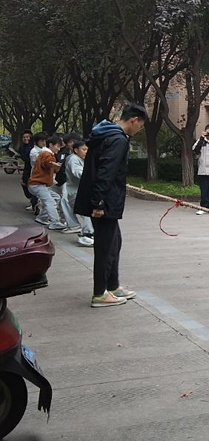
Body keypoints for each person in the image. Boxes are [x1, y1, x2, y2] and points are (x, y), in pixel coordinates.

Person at [74, 103, 147, 308]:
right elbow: (105, 171)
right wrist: (98, 202)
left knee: (114, 243)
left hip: (106, 200)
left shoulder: (106, 134)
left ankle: (112, 286)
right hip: (105, 202)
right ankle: (99, 293)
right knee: (105, 247)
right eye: (140, 126)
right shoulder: (117, 139)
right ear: (134, 120)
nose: (139, 130)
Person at [28, 135, 66, 230]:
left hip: (39, 184)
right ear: (51, 145)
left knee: (56, 198)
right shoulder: (46, 154)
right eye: (57, 146)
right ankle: (55, 222)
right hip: (38, 184)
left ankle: (42, 218)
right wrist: (54, 164)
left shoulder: (46, 153)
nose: (59, 149)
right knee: (50, 202)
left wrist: (55, 166)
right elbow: (47, 162)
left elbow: (49, 165)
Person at [60, 138, 91, 237]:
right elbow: (78, 173)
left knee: (87, 211)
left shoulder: (81, 159)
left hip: (78, 191)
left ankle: (80, 229)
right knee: (87, 211)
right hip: (76, 192)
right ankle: (87, 233)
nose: (86, 152)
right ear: (76, 150)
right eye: (84, 149)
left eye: (88, 149)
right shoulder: (73, 159)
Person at [18, 130, 35, 211]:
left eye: (27, 137)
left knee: (33, 185)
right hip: (27, 168)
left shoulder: (34, 147)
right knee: (24, 183)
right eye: (24, 137)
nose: (26, 139)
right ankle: (31, 200)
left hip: (34, 169)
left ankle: (34, 203)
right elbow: (24, 158)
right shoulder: (21, 148)